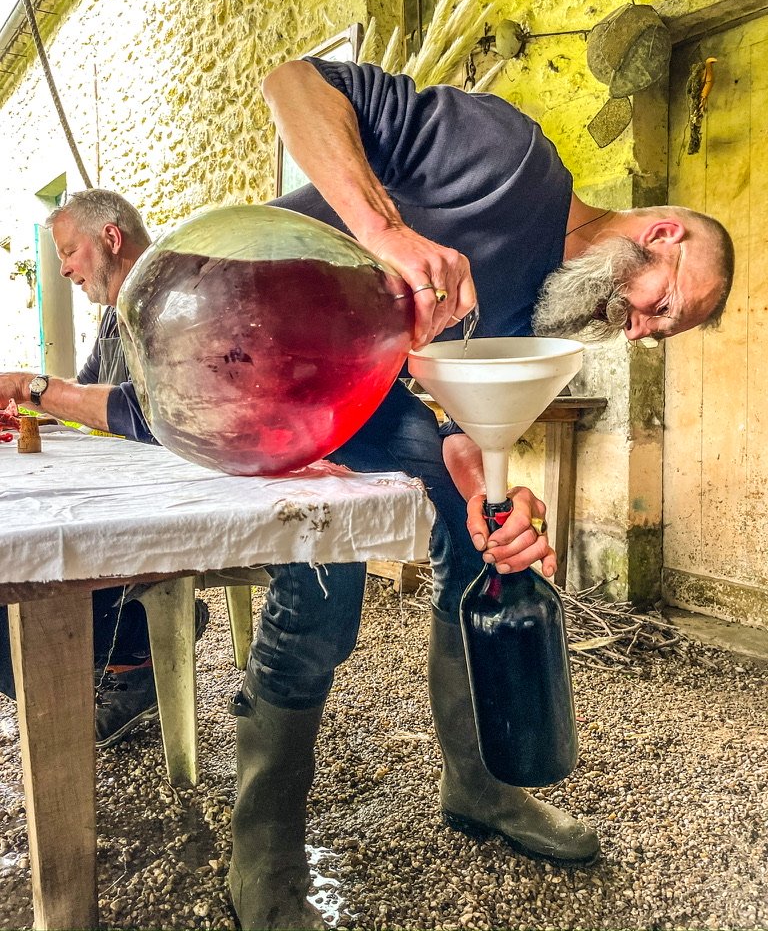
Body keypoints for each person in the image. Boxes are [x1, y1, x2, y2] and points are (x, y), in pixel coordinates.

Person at [223, 57, 734, 931]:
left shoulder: (539, 307)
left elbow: (446, 415)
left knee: (485, 532)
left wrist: (489, 493)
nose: (641, 332)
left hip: (366, 390)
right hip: (256, 343)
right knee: (328, 572)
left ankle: (480, 786)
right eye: (662, 308)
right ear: (662, 235)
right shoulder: (509, 159)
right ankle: (264, 843)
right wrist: (382, 231)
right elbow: (290, 83)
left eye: (659, 333)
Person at [0, 189, 208, 747]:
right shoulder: (120, 314)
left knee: (18, 570)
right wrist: (30, 415)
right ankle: (130, 649)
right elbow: (88, 397)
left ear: (110, 238)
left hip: (179, 495)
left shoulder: (177, 299)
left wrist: (32, 388)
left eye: (70, 251)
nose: (63, 267)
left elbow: (153, 414)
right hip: (140, 489)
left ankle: (131, 655)